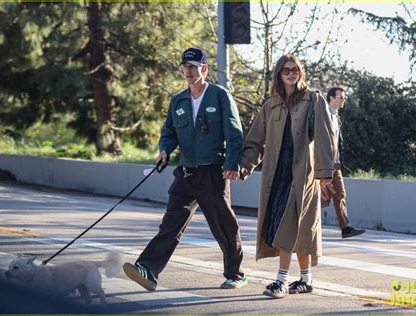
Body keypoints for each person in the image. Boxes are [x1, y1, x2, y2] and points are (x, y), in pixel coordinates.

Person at [123, 47, 248, 291]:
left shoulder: (219, 95)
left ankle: (236, 273)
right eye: (185, 67)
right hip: (186, 173)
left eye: (193, 66)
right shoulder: (177, 100)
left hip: (213, 172)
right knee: (170, 224)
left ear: (204, 68)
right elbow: (169, 132)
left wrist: (232, 164)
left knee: (223, 225)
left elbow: (235, 133)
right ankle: (147, 269)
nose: (189, 71)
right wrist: (164, 149)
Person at [239, 55, 335, 298]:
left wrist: (325, 174)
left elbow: (325, 137)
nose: (292, 73)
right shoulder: (270, 105)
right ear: (279, 75)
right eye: (286, 70)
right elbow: (255, 142)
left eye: (295, 69)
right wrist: (243, 166)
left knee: (287, 224)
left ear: (300, 72)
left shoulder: (313, 99)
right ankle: (305, 279)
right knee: (298, 228)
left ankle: (281, 281)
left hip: (303, 173)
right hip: (276, 173)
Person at [325, 86, 366, 239]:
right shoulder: (325, 115)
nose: (344, 100)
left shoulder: (335, 116)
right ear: (331, 98)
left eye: (344, 97)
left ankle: (345, 227)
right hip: (324, 164)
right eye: (341, 97)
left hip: (335, 164)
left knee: (340, 193)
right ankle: (302, 229)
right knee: (317, 197)